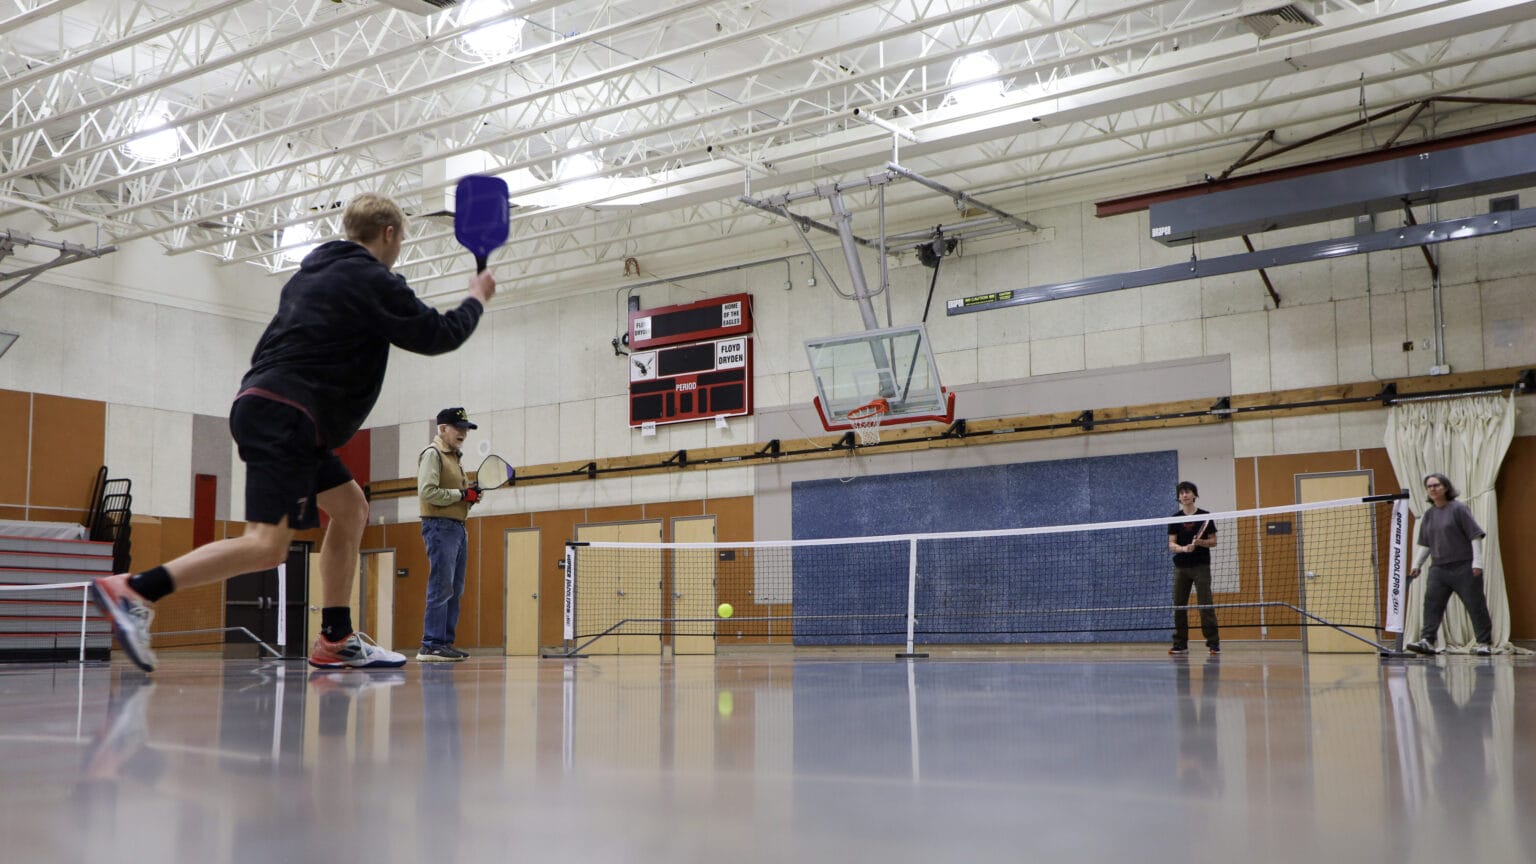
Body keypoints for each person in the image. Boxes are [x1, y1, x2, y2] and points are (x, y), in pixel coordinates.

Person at [90, 192, 496, 673]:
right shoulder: (370, 279)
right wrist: (476, 297)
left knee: (350, 510)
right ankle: (136, 589)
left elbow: (353, 318)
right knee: (266, 545)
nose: (400, 248)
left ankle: (335, 637)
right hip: (288, 415)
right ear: (389, 234)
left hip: (281, 412)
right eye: (402, 238)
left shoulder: (314, 274)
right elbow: (438, 334)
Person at [415, 407, 481, 662]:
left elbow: (455, 494)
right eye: (458, 427)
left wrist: (470, 496)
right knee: (441, 586)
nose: (463, 432)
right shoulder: (433, 454)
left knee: (454, 588)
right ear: (442, 429)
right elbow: (427, 492)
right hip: (440, 526)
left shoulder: (455, 457)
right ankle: (430, 644)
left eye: (466, 428)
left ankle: (443, 643)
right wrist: (461, 495)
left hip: (456, 527)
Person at [1405, 473, 1494, 656]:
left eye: (1436, 485)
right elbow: (1426, 543)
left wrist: (1477, 562)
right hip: (1438, 569)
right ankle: (1427, 641)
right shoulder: (1429, 515)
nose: (1433, 489)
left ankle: (1484, 643)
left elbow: (1474, 535)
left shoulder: (1459, 509)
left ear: (1445, 487)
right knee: (1431, 604)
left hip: (1464, 566)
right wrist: (1417, 564)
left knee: (1475, 604)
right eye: (1429, 486)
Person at [1168, 480, 1219, 656]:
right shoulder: (1175, 519)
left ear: (1194, 495)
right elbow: (1171, 544)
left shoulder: (1205, 516)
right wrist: (1183, 548)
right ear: (1179, 497)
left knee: (1205, 605)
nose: (1185, 495)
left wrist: (1200, 542)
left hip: (1201, 567)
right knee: (1179, 606)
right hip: (1181, 568)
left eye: (1188, 492)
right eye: (1181, 493)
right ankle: (1180, 644)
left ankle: (1213, 643)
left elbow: (1213, 542)